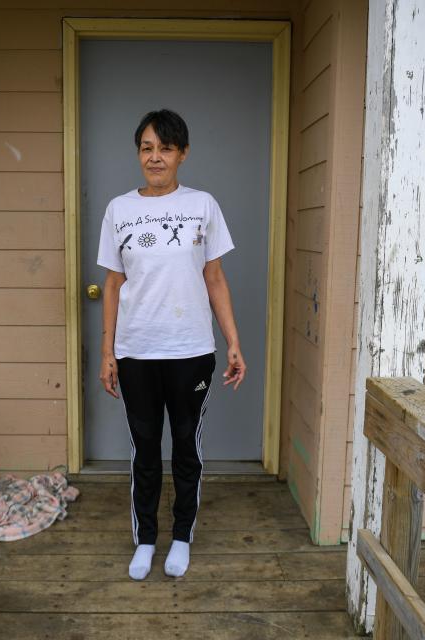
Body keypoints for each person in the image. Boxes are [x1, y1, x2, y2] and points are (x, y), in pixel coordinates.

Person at [95, 109, 247, 581]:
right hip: (136, 351)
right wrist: (107, 351)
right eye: (146, 148)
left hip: (191, 350)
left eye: (164, 148)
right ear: (138, 153)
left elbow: (215, 278)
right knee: (143, 449)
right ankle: (145, 540)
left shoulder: (203, 205)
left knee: (185, 446)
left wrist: (234, 343)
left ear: (182, 153)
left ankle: (181, 536)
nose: (154, 157)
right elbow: (114, 284)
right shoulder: (119, 210)